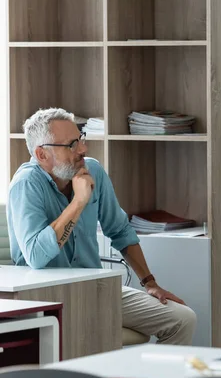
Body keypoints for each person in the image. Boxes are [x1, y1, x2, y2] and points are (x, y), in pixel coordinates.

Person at [7, 108, 196, 345]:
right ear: (42, 154)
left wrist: (150, 283)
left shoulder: (93, 170)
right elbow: (36, 256)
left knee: (182, 319)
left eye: (81, 139)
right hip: (46, 297)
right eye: (71, 145)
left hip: (94, 288)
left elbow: (119, 230)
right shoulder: (25, 185)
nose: (83, 150)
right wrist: (78, 202)